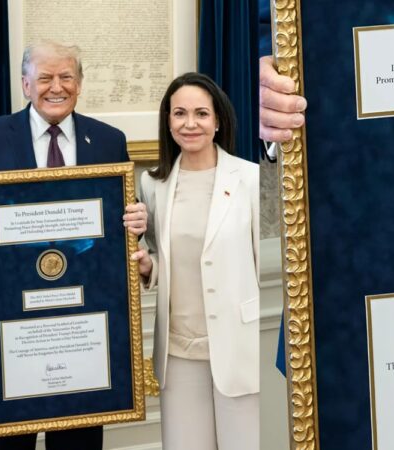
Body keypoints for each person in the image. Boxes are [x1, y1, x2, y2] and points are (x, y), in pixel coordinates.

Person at [0, 41, 147, 450]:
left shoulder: (108, 140)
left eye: (66, 77)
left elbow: (119, 218)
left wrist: (136, 222)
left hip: (83, 327)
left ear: (79, 83)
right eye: (46, 77)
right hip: (8, 328)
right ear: (25, 84)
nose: (57, 87)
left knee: (79, 443)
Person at [131, 72, 259, 450]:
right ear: (168, 121)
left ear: (218, 120)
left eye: (201, 114)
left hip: (238, 346)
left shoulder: (249, 179)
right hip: (178, 352)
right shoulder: (152, 184)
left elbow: (257, 262)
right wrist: (148, 267)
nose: (190, 123)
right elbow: (160, 254)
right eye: (179, 113)